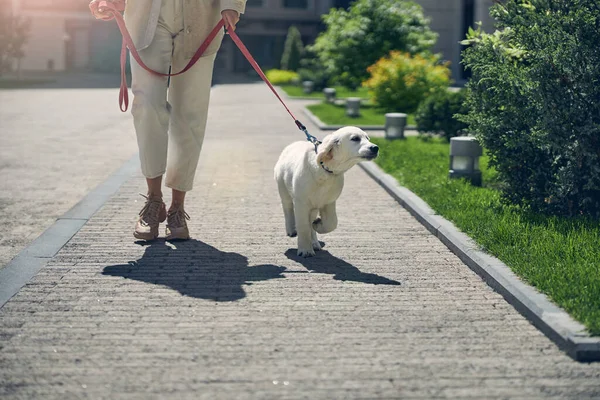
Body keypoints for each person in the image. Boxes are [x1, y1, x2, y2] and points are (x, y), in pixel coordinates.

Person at [90, 0, 245, 241]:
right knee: (147, 106)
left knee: (190, 112)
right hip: (147, 14)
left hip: (202, 14)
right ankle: (153, 200)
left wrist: (233, 4)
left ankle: (177, 208)